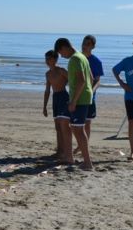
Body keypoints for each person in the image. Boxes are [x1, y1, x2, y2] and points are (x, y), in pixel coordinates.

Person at [54, 37, 93, 170]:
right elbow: (91, 78)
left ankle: (87, 162)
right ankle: (69, 157)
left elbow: (82, 81)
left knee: (78, 129)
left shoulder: (75, 59)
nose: (62, 56)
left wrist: (74, 101)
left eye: (61, 53)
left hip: (80, 99)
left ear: (64, 47)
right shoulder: (82, 56)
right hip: (83, 96)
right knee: (68, 123)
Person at [42, 50, 70, 160]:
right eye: (46, 59)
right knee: (57, 126)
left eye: (49, 58)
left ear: (55, 59)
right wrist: (44, 106)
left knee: (64, 126)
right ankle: (60, 150)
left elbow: (72, 81)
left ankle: (65, 151)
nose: (47, 61)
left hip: (64, 96)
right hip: (55, 98)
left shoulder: (61, 71)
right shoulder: (48, 74)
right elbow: (47, 90)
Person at [81, 35, 103, 140]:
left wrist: (91, 91)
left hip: (89, 97)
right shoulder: (77, 58)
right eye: (84, 43)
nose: (85, 46)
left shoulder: (96, 61)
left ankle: (83, 146)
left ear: (93, 47)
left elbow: (98, 80)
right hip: (76, 95)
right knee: (75, 123)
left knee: (87, 123)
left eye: (88, 44)